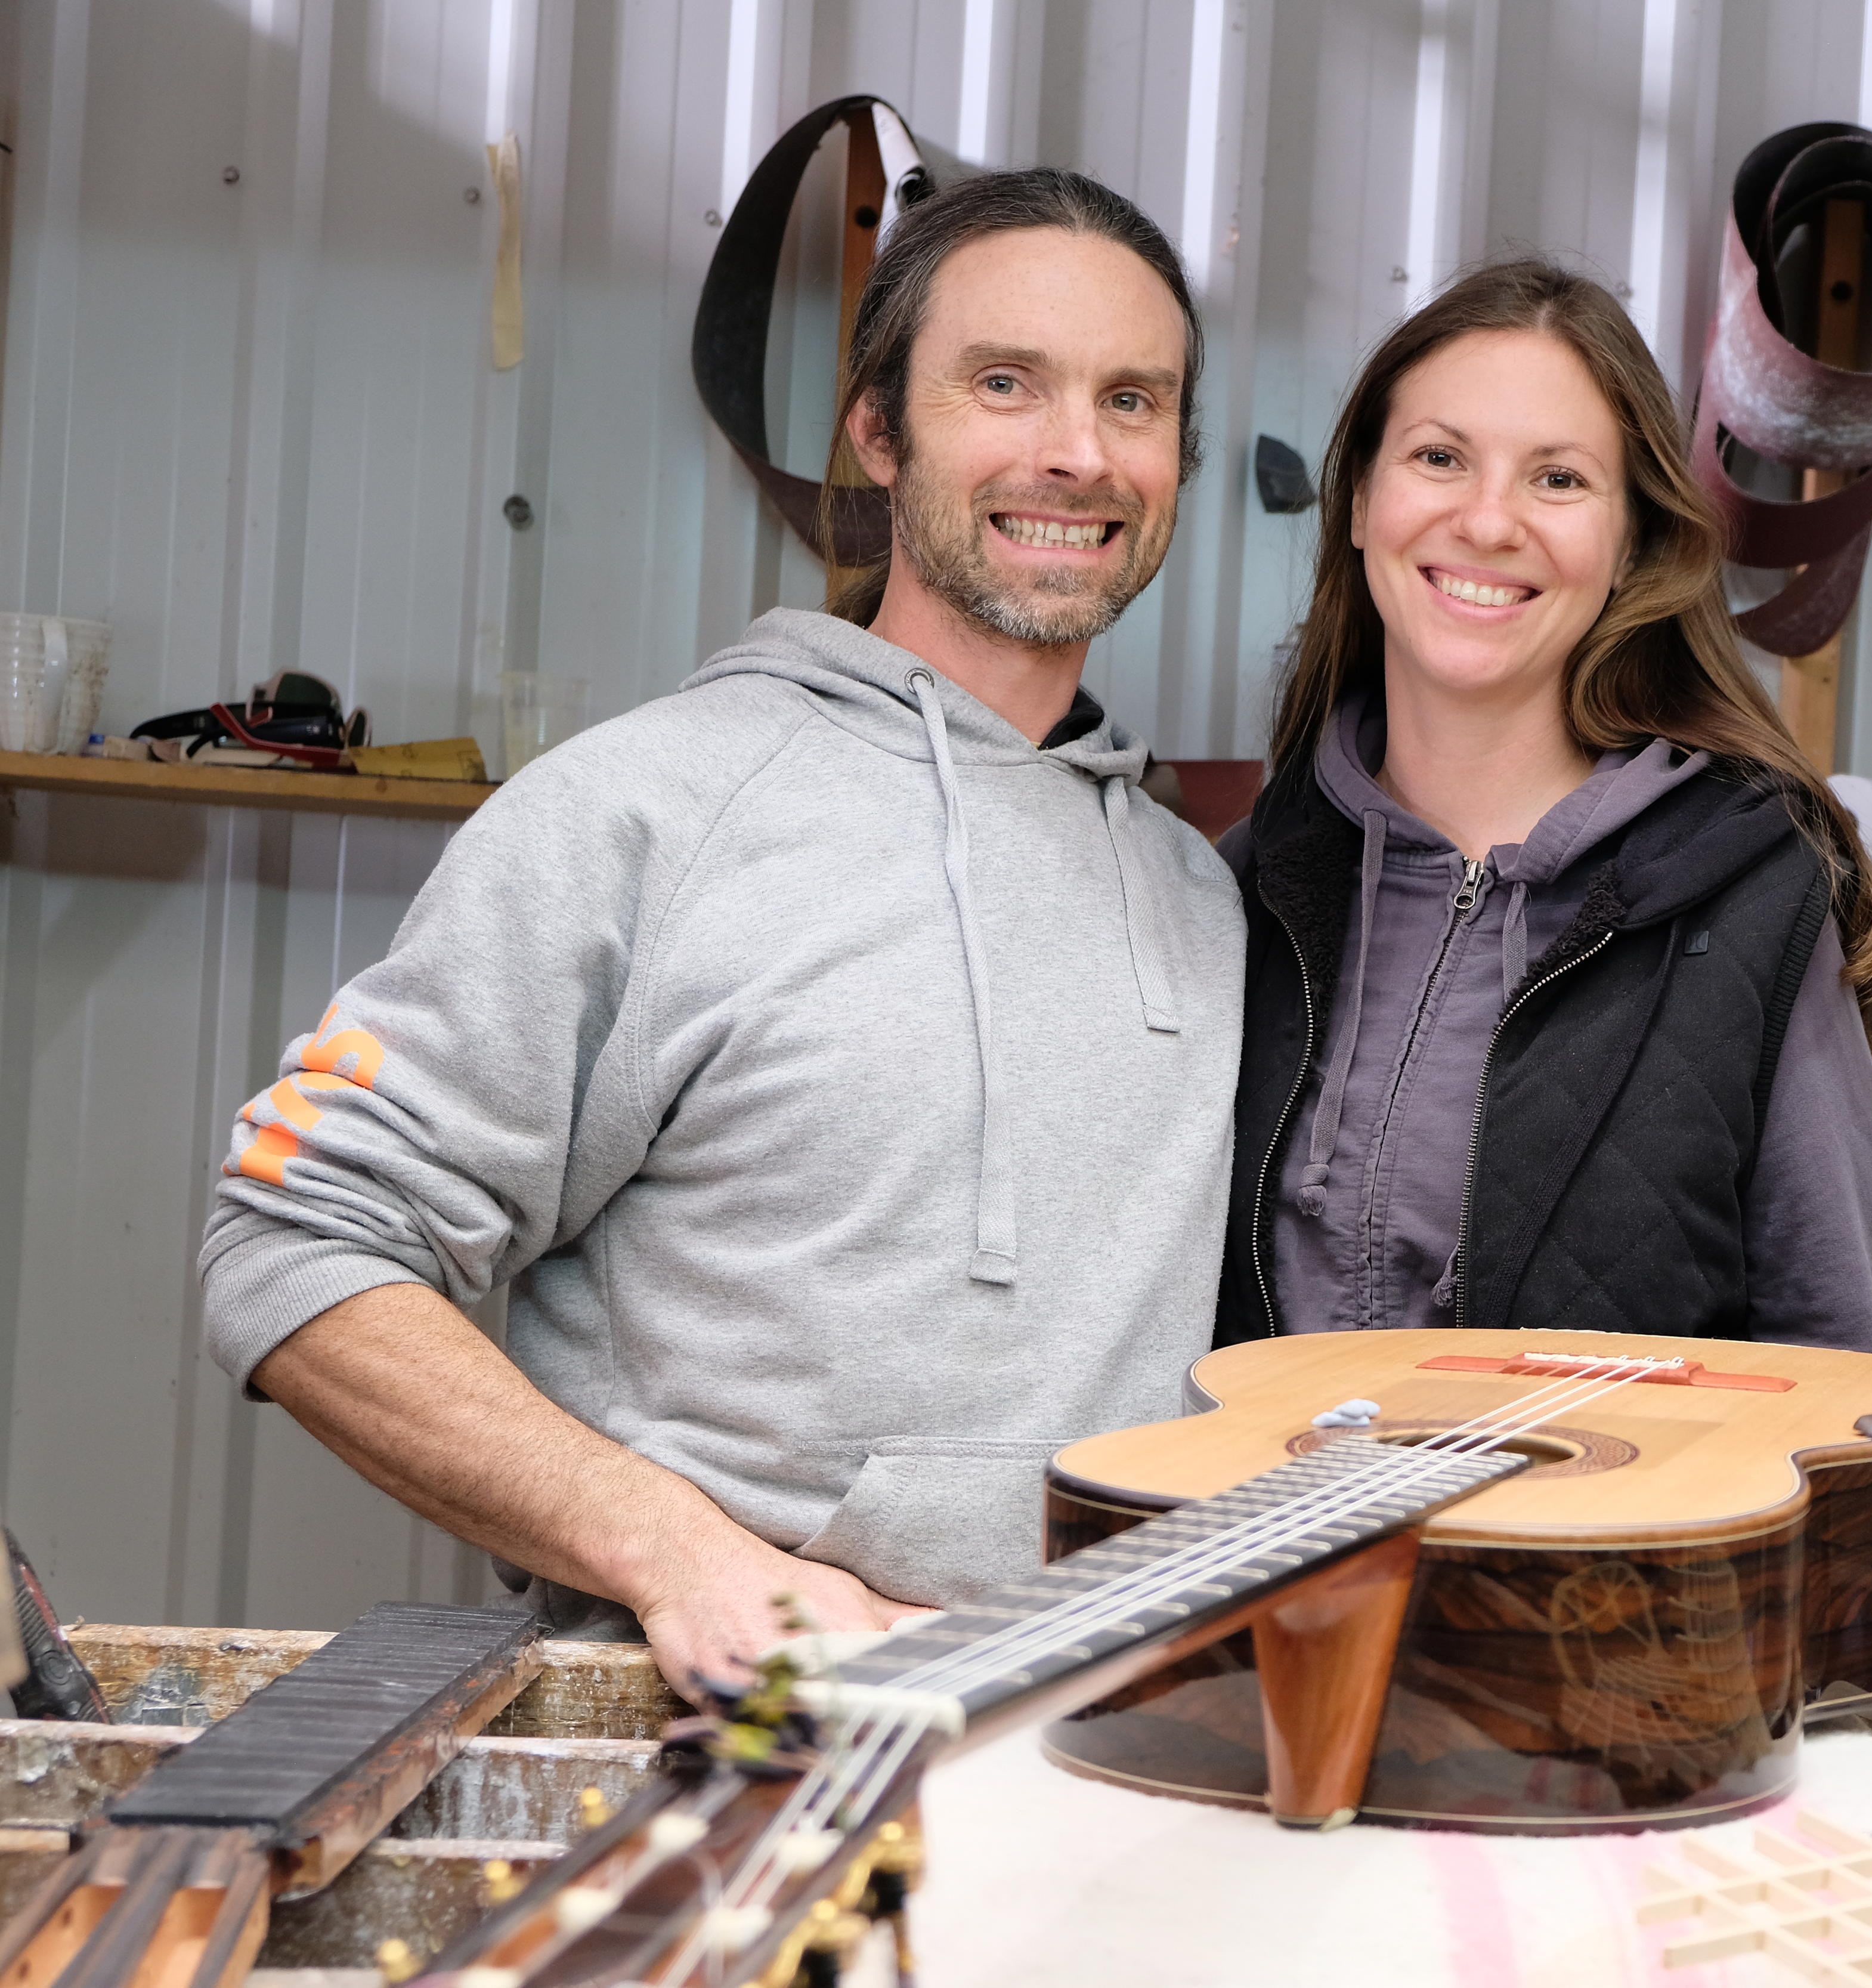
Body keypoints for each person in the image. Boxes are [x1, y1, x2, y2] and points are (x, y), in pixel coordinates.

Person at [196, 168, 1243, 1697]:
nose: (1076, 453)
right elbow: (291, 1236)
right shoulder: (647, 813)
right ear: (877, 430)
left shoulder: (1196, 890)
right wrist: (678, 1550)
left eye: (1133, 400)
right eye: (1005, 383)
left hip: (1097, 1746)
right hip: (722, 1748)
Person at [1218, 259, 1872, 1351]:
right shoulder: (1242, 892)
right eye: (1440, 457)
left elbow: (1842, 1372)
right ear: (1361, 500)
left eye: (1558, 479)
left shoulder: (1753, 905)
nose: (1489, 522)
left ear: (1629, 540)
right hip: (1259, 1526)